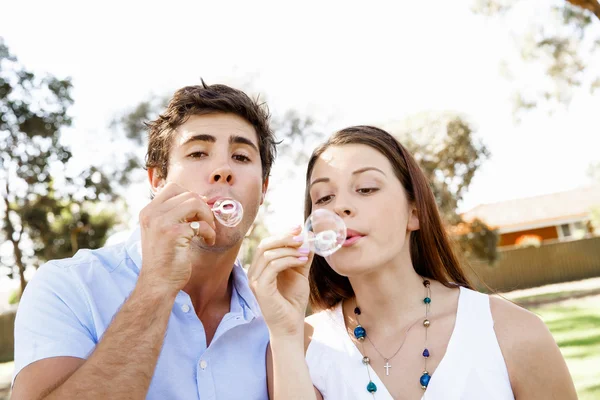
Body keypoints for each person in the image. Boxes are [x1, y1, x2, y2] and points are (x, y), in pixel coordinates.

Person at [249, 125, 578, 399]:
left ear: (414, 213)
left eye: (365, 188)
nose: (341, 207)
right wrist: (284, 332)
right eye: (323, 197)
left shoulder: (515, 333)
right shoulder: (298, 344)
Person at [12, 81, 277, 399]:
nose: (222, 170)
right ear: (158, 180)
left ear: (262, 189)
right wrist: (156, 286)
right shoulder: (68, 286)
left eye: (241, 156)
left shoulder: (275, 318)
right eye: (197, 153)